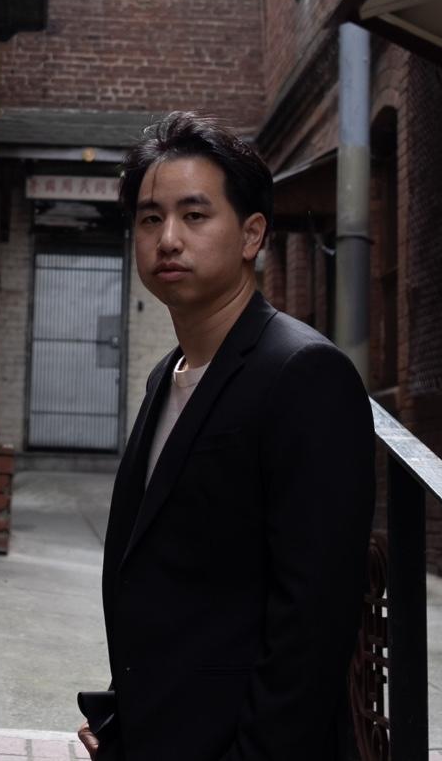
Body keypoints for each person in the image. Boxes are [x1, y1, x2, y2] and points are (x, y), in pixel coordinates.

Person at [78, 112, 375, 761]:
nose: (168, 239)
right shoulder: (165, 377)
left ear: (251, 234)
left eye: (194, 215)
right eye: (150, 219)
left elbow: (313, 620)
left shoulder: (303, 373)